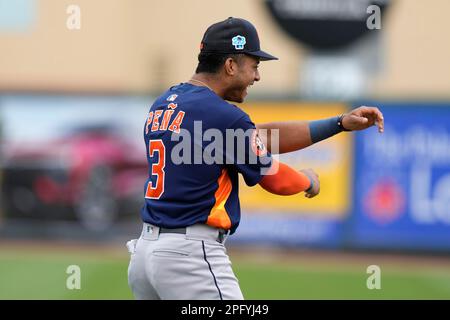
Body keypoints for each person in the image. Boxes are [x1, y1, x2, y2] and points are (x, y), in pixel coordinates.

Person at [127, 17, 384, 300]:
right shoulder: (223, 116)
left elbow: (260, 137)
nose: (257, 76)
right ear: (230, 65)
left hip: (146, 254)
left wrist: (339, 124)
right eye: (255, 65)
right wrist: (308, 180)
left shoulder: (164, 102)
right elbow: (273, 179)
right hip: (189, 255)